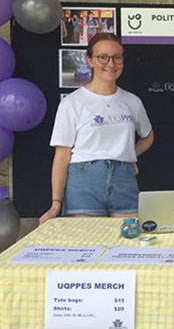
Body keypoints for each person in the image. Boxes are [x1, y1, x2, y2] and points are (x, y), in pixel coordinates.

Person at [39, 33, 154, 225]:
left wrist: (130, 155)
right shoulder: (72, 103)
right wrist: (55, 203)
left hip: (124, 181)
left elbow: (148, 136)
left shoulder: (132, 101)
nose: (111, 64)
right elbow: (61, 156)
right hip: (84, 183)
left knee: (128, 246)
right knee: (87, 245)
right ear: (90, 61)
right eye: (103, 57)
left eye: (117, 58)